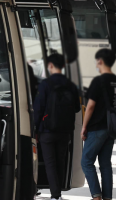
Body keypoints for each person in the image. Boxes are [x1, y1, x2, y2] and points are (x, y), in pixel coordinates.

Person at [81, 49, 116, 200]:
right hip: (111, 129)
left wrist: (84, 126)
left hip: (96, 128)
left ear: (100, 61)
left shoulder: (98, 81)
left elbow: (91, 107)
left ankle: (96, 196)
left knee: (86, 161)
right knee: (105, 164)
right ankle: (107, 197)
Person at [34, 54, 80, 200]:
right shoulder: (71, 85)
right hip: (65, 131)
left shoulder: (45, 84)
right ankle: (57, 192)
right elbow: (77, 108)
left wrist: (35, 128)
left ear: (50, 65)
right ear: (63, 66)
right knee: (60, 162)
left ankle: (55, 195)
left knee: (50, 163)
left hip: (47, 130)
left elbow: (38, 108)